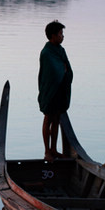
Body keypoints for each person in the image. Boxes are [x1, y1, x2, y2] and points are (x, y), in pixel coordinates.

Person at [37, 20, 72, 161]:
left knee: (57, 119)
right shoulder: (46, 52)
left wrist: (64, 71)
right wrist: (62, 69)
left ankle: (54, 149)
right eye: (60, 34)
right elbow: (53, 70)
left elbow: (66, 68)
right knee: (48, 119)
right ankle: (47, 151)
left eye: (62, 34)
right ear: (53, 36)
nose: (62, 36)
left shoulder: (60, 50)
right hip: (50, 91)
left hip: (59, 90)